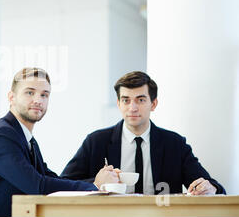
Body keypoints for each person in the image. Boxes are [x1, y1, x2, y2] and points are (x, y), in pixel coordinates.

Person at [0, 67, 119, 217]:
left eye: (44, 95)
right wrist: (94, 186)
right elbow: (37, 186)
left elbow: (50, 178)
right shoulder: (1, 136)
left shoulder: (24, 137)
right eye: (30, 92)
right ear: (11, 97)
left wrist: (101, 180)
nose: (38, 100)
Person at [61, 71, 226, 195]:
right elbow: (64, 184)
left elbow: (210, 185)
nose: (132, 107)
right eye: (126, 100)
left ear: (153, 104)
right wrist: (96, 183)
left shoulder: (174, 144)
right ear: (119, 104)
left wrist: (210, 188)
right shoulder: (96, 141)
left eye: (140, 100)